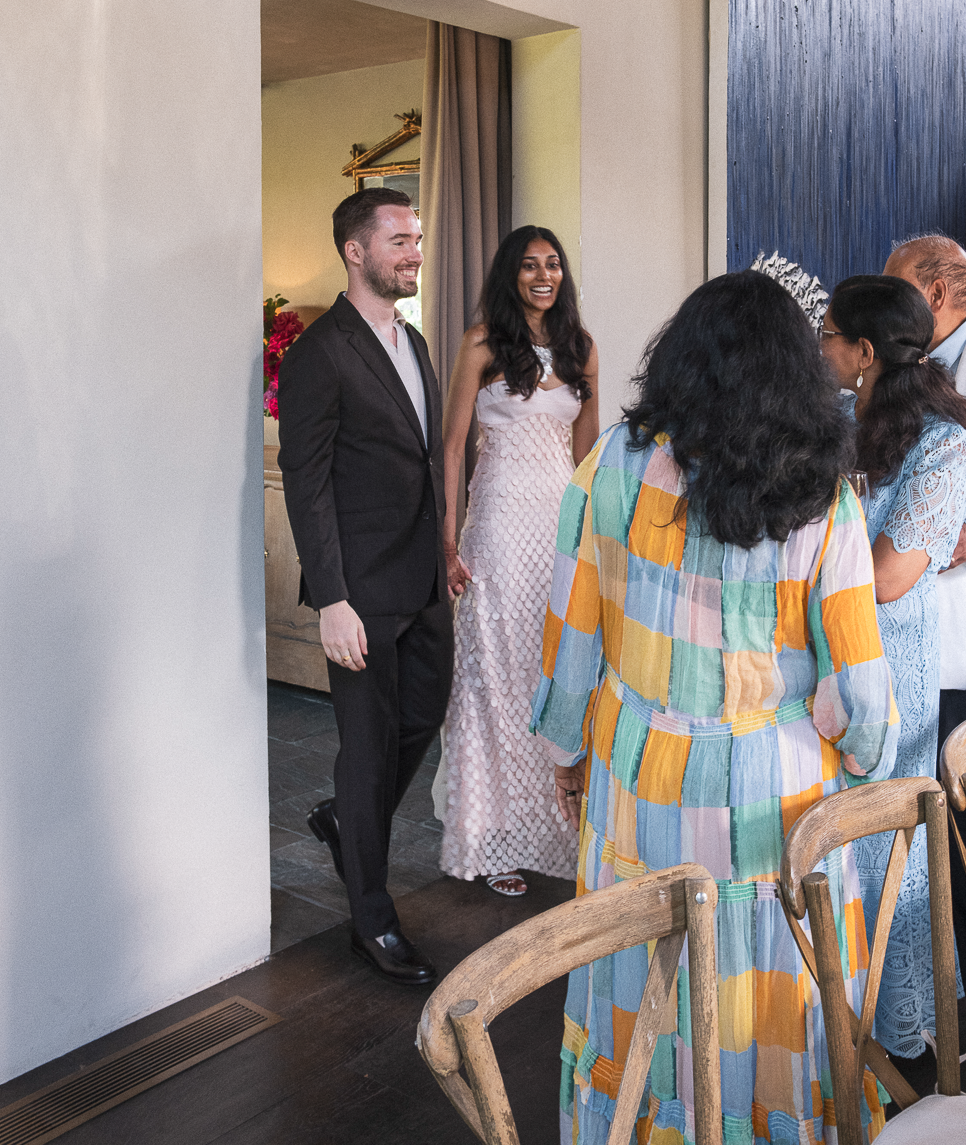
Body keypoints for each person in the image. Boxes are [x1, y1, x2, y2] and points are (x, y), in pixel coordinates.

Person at [531, 271, 900, 1144]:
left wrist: (566, 752)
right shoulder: (823, 489)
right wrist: (860, 753)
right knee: (767, 994)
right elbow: (862, 694)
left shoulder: (611, 466)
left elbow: (570, 633)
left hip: (639, 781)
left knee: (645, 977)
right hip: (779, 799)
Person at [276, 187, 460, 985]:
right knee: (365, 745)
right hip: (361, 592)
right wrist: (333, 599)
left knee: (424, 712)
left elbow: (419, 461)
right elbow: (305, 478)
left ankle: (348, 824)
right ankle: (372, 921)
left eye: (416, 239)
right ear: (356, 251)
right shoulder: (320, 352)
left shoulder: (411, 341)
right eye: (400, 241)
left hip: (422, 581)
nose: (414, 251)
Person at [820, 273, 966, 1059]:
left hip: (895, 665)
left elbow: (891, 575)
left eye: (828, 334)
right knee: (832, 844)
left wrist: (812, 548)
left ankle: (905, 1035)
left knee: (894, 851)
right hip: (823, 658)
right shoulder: (830, 419)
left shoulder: (945, 440)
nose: (818, 348)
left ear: (864, 349)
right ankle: (835, 1023)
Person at [438, 227, 598, 895]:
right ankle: (495, 836)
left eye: (553, 264)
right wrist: (446, 541)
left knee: (554, 668)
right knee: (496, 679)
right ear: (511, 274)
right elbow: (449, 450)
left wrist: (593, 540)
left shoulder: (581, 348)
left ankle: (565, 831)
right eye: (530, 265)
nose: (543, 275)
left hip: (559, 528)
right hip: (499, 528)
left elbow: (590, 459)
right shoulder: (481, 344)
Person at [883, 236, 966, 1020]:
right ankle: (939, 1003)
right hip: (899, 643)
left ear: (936, 289)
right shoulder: (893, 374)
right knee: (924, 838)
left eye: (897, 291)